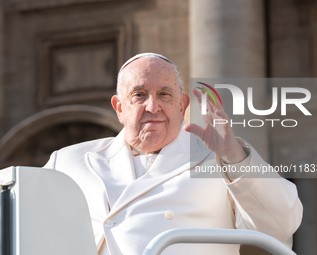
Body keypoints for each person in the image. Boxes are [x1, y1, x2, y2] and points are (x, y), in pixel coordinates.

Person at [44, 53, 303, 255]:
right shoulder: (67, 161)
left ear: (182, 106)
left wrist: (233, 155)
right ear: (119, 107)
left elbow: (280, 225)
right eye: (139, 95)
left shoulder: (218, 157)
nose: (153, 106)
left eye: (164, 95)